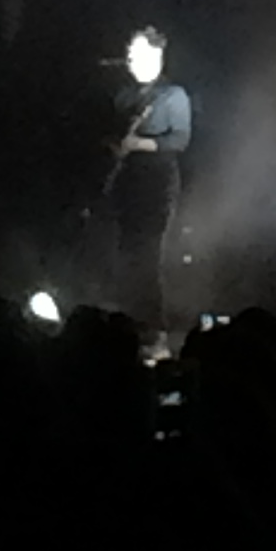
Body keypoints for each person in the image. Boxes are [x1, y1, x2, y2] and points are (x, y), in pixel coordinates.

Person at [105, 25, 192, 343]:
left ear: (156, 54)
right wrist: (113, 145)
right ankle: (128, 324)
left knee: (149, 255)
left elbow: (180, 140)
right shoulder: (124, 95)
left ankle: (154, 327)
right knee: (126, 253)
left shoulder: (173, 95)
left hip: (157, 184)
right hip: (126, 183)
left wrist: (139, 144)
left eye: (136, 53)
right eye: (128, 54)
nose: (129, 59)